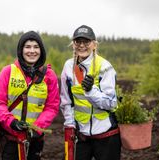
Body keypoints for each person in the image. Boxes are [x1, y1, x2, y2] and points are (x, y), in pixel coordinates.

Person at [0, 31, 60, 160]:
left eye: (36, 47)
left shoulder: (49, 76)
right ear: (21, 50)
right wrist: (11, 122)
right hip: (11, 138)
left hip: (36, 140)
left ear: (41, 50)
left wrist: (36, 128)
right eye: (27, 47)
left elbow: (52, 107)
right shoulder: (8, 71)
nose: (32, 51)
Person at [60, 25, 121, 160]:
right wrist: (70, 126)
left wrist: (90, 90)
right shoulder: (68, 66)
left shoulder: (105, 66)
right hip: (81, 137)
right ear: (73, 44)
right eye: (78, 41)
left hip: (106, 135)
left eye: (86, 42)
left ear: (94, 44)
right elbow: (66, 101)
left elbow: (111, 103)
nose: (82, 45)